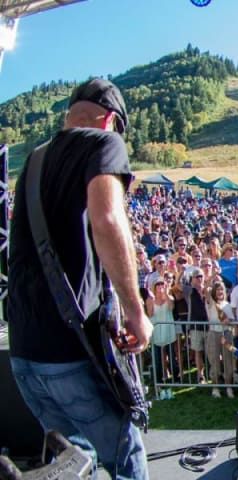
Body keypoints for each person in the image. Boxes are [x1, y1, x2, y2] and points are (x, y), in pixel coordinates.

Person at [8, 78, 152, 478]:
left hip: (24, 352)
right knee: (125, 454)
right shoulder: (103, 144)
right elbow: (108, 219)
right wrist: (135, 311)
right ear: (109, 121)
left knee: (76, 463)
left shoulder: (33, 162)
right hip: (68, 351)